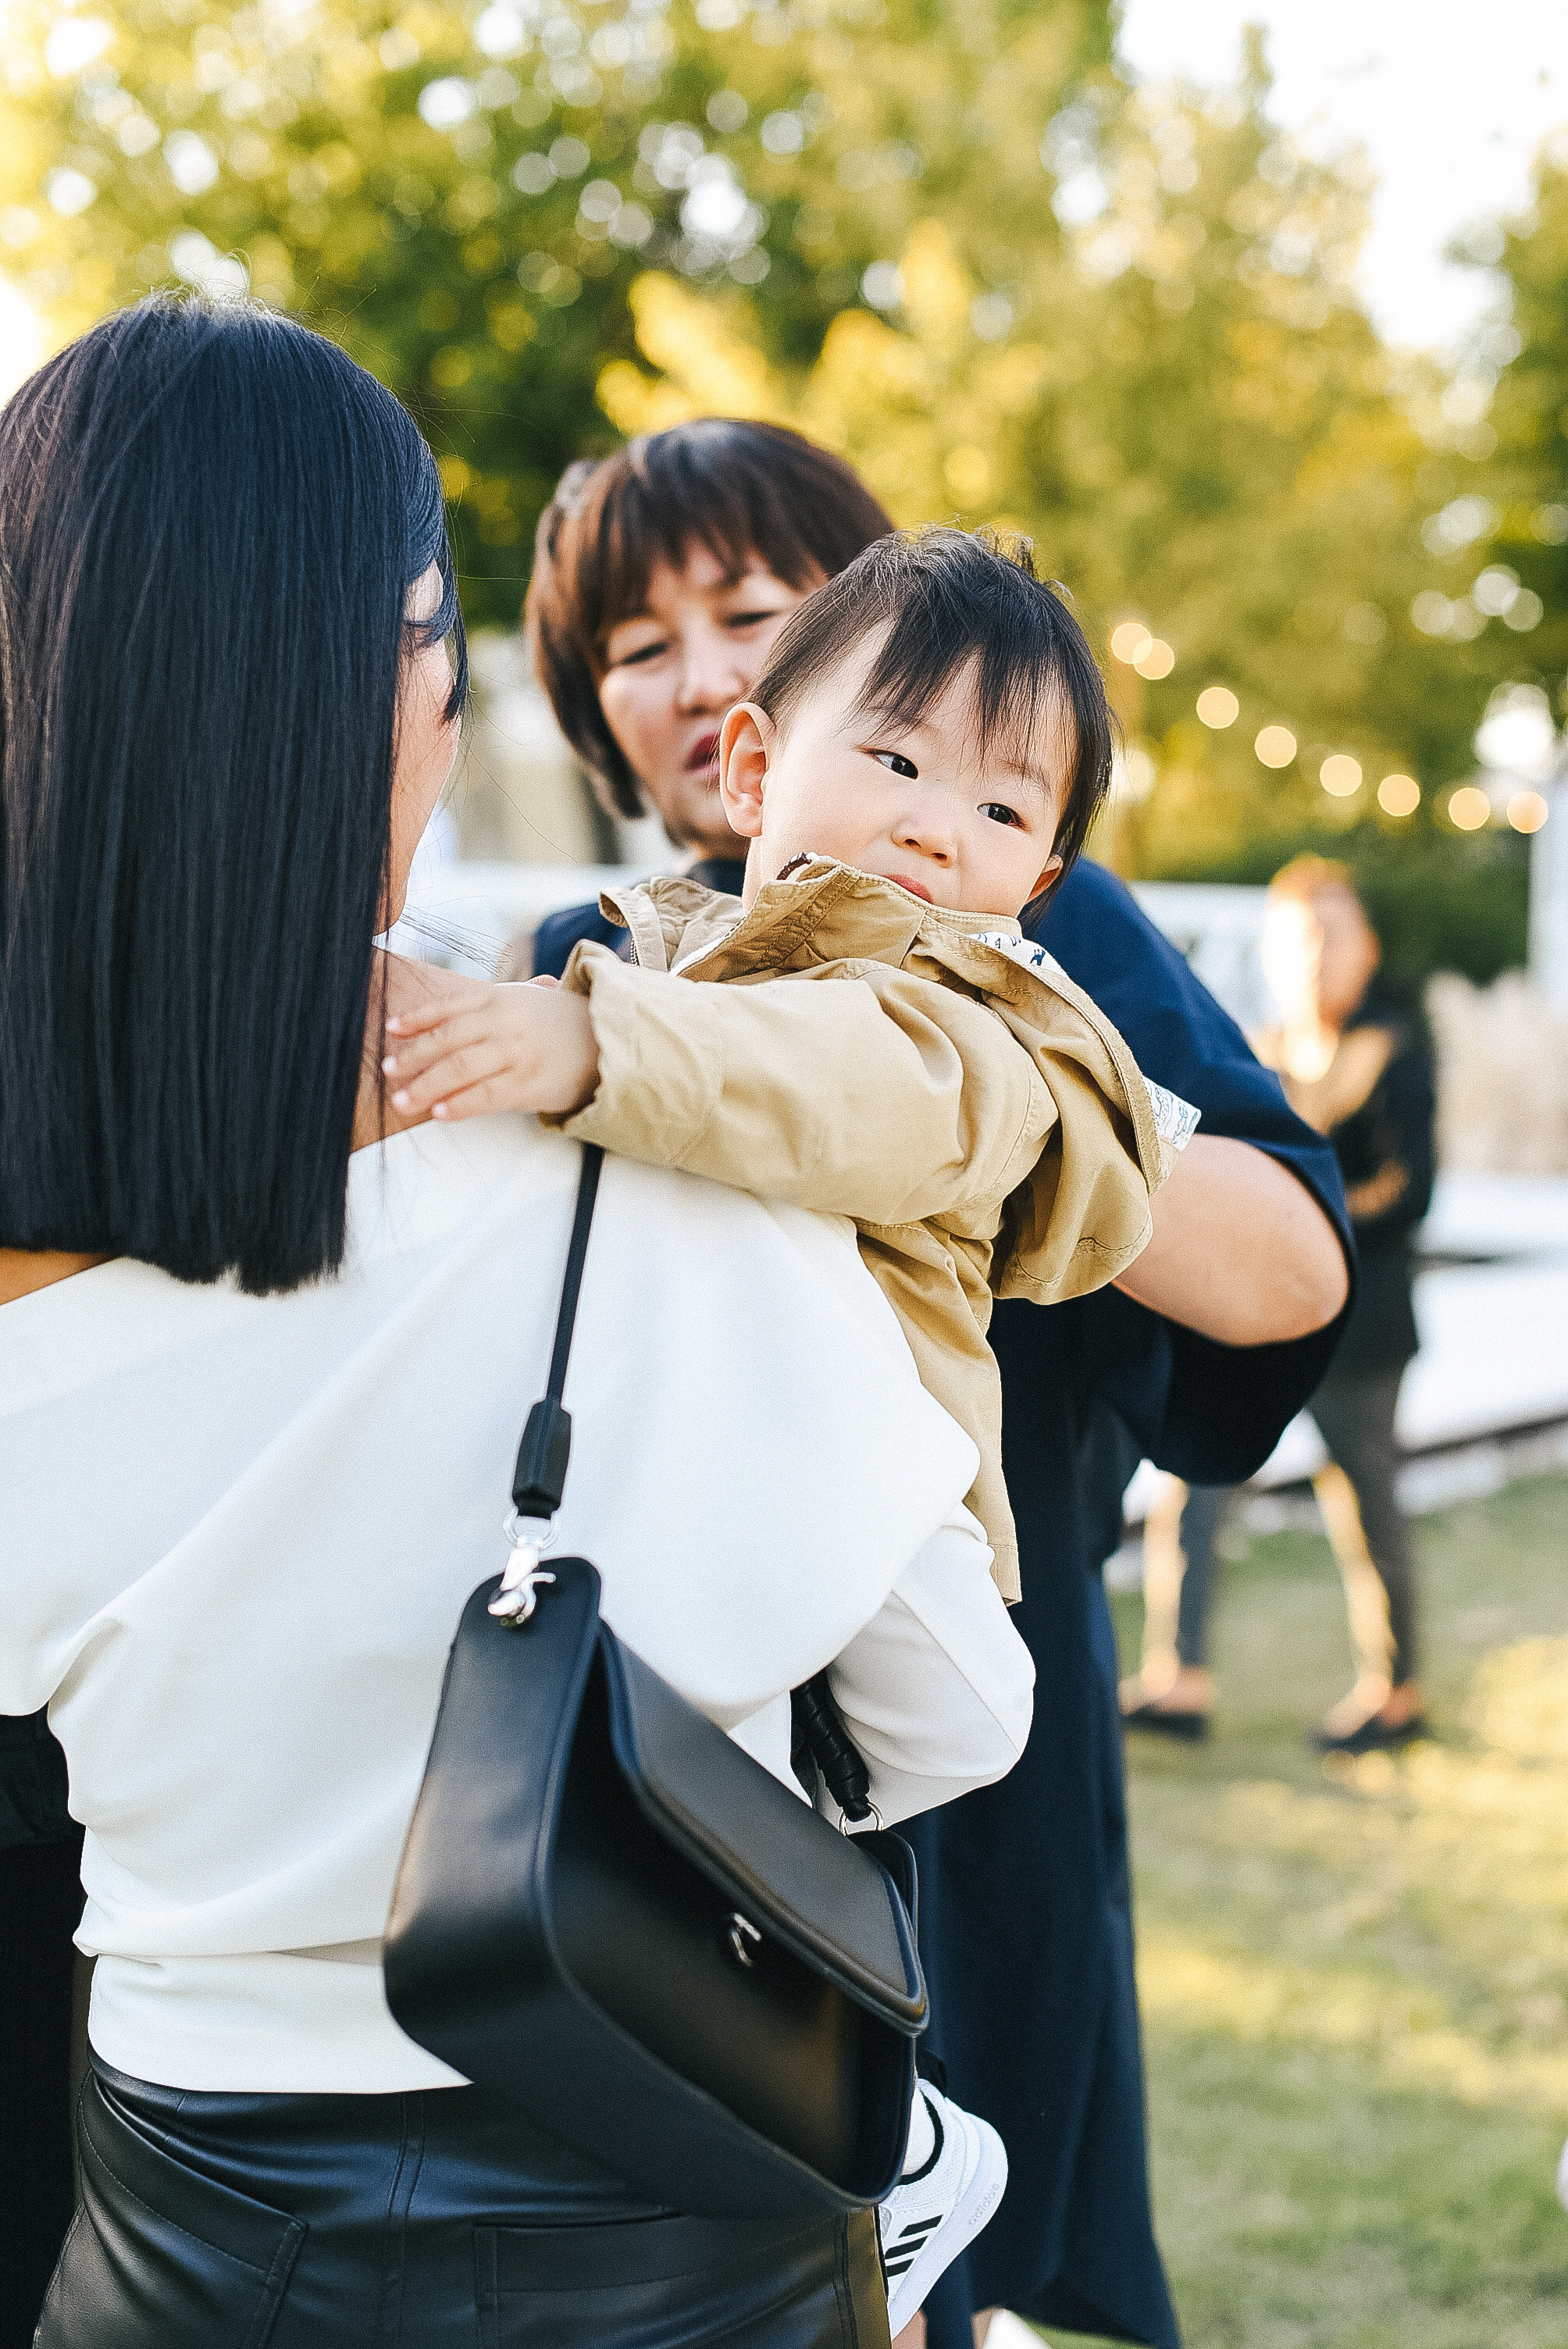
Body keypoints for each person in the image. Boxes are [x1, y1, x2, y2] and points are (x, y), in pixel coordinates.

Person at [0, 301, 1040, 2347]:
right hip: (681, 2216)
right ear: (401, 679)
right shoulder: (651, 1168)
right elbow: (953, 1714)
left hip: (186, 2242)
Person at [519, 420, 1354, 2349]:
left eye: (747, 607)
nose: (701, 665)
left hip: (952, 1728)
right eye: (636, 643)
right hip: (653, 1743)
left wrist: (963, 1081)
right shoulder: (594, 963)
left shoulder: (1029, 934)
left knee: (910, 2258)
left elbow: (1288, 1264)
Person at [378, 528, 1196, 1608]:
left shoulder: (974, 1036)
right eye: (898, 763)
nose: (937, 829)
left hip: (866, 1548)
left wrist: (591, 1043)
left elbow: (840, 1082)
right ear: (754, 773)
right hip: (685, 1502)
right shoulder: (683, 974)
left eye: (1002, 809)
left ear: (1038, 879)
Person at [1121, 858, 1435, 1752]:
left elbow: (1410, 1190)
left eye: (1331, 933)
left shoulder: (1394, 1048)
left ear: (1365, 947)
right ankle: (1178, 1677)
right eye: (1296, 935)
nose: (1312, 954)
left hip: (1363, 1332)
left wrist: (1305, 1228)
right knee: (1199, 1488)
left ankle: (1395, 1689)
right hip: (1253, 1324)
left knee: (1365, 1507)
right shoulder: (1252, 1051)